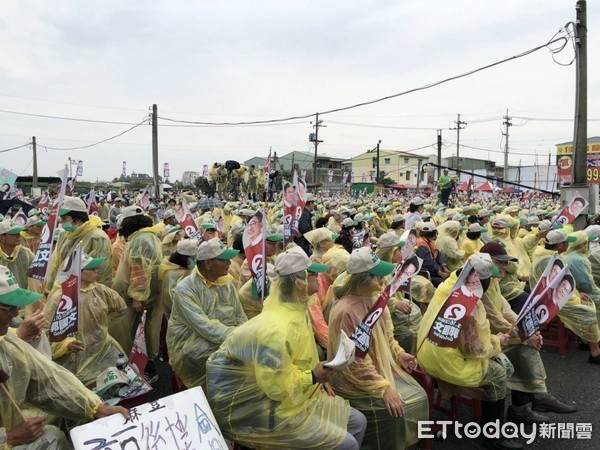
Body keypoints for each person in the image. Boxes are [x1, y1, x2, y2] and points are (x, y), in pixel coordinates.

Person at [206, 246, 366, 449]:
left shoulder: (298, 310)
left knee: (358, 422)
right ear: (299, 283)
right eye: (313, 275)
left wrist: (317, 376)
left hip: (297, 395)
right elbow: (275, 387)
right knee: (348, 444)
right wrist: (313, 377)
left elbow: (301, 356)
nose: (319, 278)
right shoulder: (276, 329)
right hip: (271, 408)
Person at [0, 265, 128, 449]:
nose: (15, 314)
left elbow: (46, 377)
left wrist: (94, 408)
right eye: (9, 307)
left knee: (53, 436)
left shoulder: (7, 341)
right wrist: (8, 438)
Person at [418, 253, 523, 450]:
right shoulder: (465, 303)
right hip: (446, 362)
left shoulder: (448, 286)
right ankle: (493, 436)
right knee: (498, 374)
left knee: (497, 363)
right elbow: (474, 349)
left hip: (428, 352)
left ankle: (488, 419)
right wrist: (497, 341)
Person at [327, 247, 428, 449]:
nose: (383, 281)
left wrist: (399, 354)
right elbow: (354, 362)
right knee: (395, 411)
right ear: (362, 279)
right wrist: (383, 389)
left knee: (421, 396)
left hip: (376, 371)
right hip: (353, 380)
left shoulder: (375, 300)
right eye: (377, 277)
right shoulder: (346, 312)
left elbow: (387, 336)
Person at [479, 242, 576, 422]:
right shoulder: (479, 285)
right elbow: (496, 320)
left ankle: (531, 402)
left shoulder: (493, 281)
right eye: (499, 262)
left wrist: (527, 329)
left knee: (526, 345)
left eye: (504, 262)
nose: (504, 266)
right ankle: (532, 400)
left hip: (497, 337)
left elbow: (506, 310)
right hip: (485, 341)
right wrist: (524, 336)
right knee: (523, 348)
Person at [167, 238, 247, 389]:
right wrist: (240, 336)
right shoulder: (185, 289)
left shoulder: (225, 283)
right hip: (193, 346)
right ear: (208, 263)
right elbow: (204, 327)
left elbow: (239, 314)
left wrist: (245, 332)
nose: (229, 262)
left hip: (225, 338)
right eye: (224, 259)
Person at [43, 253, 127, 388]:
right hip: (74, 357)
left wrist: (100, 326)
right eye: (92, 269)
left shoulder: (100, 290)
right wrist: (65, 345)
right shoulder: (61, 298)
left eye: (96, 268)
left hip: (102, 349)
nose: (96, 271)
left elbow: (120, 307)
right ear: (78, 272)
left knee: (116, 381)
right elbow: (45, 331)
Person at [111, 205, 163, 383]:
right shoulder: (148, 237)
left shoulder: (141, 240)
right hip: (138, 296)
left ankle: (143, 370)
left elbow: (139, 270)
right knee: (140, 334)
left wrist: (137, 297)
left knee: (131, 335)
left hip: (134, 299)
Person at [47, 196, 112, 291]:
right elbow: (56, 263)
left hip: (85, 292)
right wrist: (50, 288)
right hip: (61, 290)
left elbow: (99, 271)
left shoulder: (97, 237)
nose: (62, 221)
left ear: (77, 219)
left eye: (65, 218)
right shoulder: (64, 235)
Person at [0, 220, 35, 291]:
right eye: (14, 233)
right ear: (2, 237)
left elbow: (38, 270)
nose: (19, 236)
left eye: (18, 232)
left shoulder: (25, 253)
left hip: (23, 298)